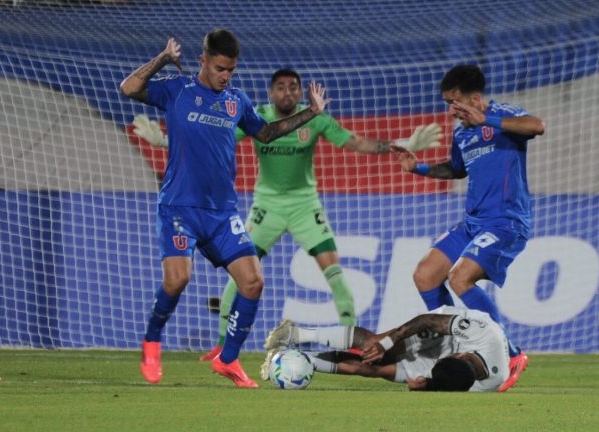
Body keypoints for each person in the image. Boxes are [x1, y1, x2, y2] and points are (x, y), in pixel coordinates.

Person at [120, 29, 331, 388]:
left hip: (221, 213)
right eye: (220, 68)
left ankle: (228, 359)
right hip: (180, 208)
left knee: (253, 282)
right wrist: (163, 59)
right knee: (178, 279)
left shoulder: (236, 100)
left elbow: (265, 133)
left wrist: (311, 112)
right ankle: (152, 341)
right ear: (203, 60)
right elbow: (129, 88)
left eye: (231, 70)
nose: (225, 76)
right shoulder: (178, 90)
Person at [192, 68, 442, 362]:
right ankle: (222, 345)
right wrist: (166, 142)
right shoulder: (257, 117)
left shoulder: (316, 118)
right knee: (239, 273)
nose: (287, 92)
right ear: (271, 92)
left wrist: (403, 145)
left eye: (293, 87)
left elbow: (356, 142)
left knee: (335, 274)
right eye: (281, 87)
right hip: (267, 207)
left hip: (305, 207)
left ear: (300, 93)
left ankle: (350, 346)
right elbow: (217, 135)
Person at [390, 64, 545, 392]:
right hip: (472, 222)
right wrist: (417, 167)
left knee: (460, 278)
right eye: (447, 103)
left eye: (455, 102)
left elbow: (537, 126)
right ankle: (449, 346)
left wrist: (486, 119)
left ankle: (509, 353)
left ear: (474, 99)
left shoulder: (503, 115)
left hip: (506, 222)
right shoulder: (461, 133)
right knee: (425, 275)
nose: (451, 110)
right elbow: (456, 169)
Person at [263, 305, 510, 392]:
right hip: (443, 331)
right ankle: (295, 333)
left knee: (373, 368)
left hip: (446, 366)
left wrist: (425, 385)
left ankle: (293, 359)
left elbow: (448, 385)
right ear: (463, 355)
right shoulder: (485, 335)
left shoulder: (486, 385)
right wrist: (388, 342)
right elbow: (427, 320)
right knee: (374, 346)